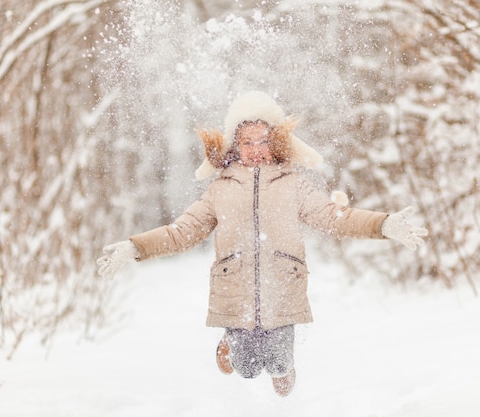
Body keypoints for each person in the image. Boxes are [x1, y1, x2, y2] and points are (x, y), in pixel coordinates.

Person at [97, 91, 428, 397]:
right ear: (235, 146)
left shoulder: (293, 185)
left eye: (263, 141)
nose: (256, 149)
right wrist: (133, 247)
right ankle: (229, 341)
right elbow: (180, 232)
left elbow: (333, 216)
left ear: (277, 143)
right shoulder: (219, 189)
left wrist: (383, 225)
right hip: (235, 290)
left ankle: (284, 368)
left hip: (282, 286)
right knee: (246, 368)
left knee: (281, 373)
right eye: (247, 142)